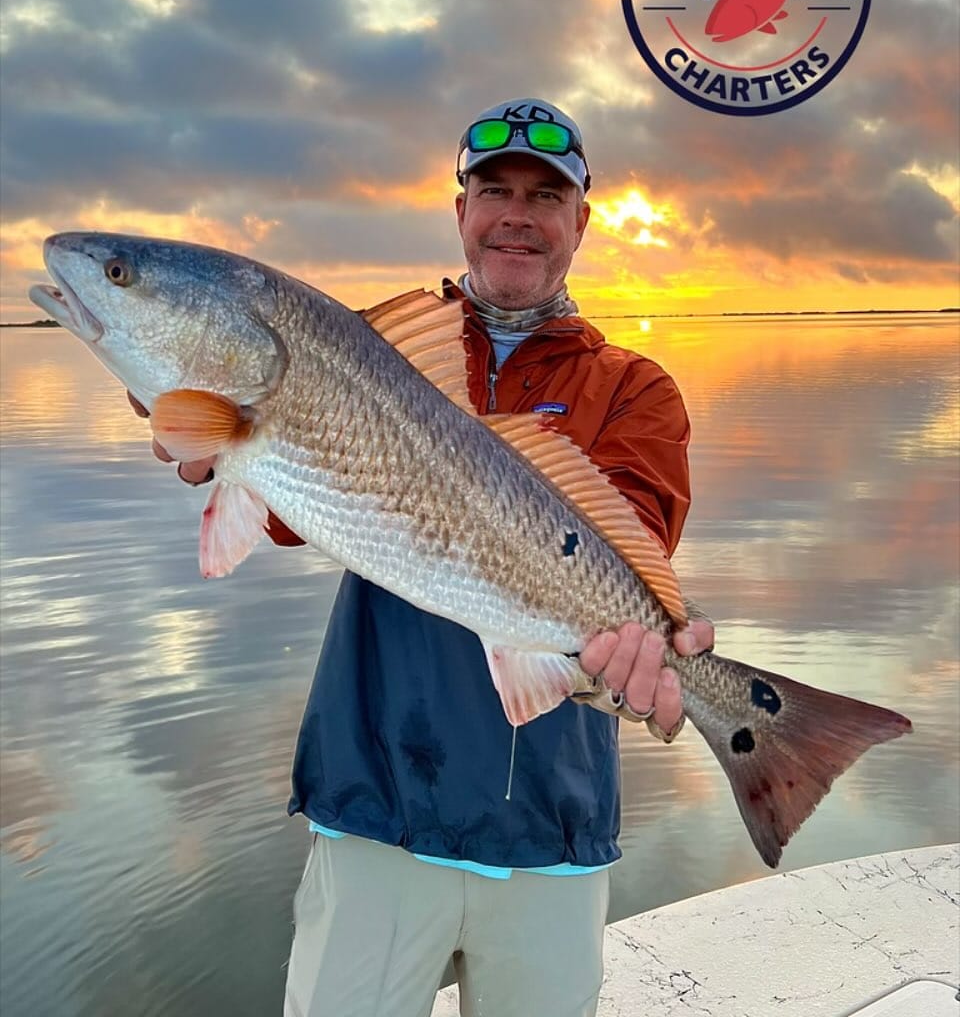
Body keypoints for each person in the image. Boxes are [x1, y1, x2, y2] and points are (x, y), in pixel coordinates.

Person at [133, 97, 714, 1017]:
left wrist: (645, 652)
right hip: (375, 803)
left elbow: (633, 547)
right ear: (460, 213)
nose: (517, 214)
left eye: (545, 195)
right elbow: (285, 508)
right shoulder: (364, 351)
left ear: (581, 223)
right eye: (495, 190)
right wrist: (203, 422)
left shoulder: (633, 388)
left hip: (550, 823)